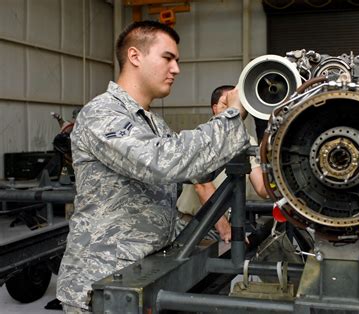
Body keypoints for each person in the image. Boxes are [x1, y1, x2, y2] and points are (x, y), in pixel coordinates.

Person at [56, 21, 249, 313]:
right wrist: (231, 117)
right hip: (102, 283)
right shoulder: (101, 113)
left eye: (177, 61)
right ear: (135, 56)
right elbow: (164, 162)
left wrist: (228, 124)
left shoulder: (152, 123)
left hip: (142, 275)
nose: (176, 70)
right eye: (168, 58)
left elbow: (196, 170)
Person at [177, 85, 268, 243]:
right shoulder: (200, 138)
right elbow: (202, 186)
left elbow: (262, 188)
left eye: (237, 105)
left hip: (222, 229)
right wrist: (225, 229)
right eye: (226, 105)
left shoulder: (247, 142)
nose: (232, 110)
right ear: (215, 108)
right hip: (193, 226)